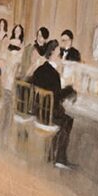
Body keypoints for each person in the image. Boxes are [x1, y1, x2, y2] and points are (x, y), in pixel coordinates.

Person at [28, 40, 77, 168]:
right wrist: (70, 90)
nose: (60, 55)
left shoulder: (39, 70)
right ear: (52, 54)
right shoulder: (54, 74)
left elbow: (30, 83)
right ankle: (59, 158)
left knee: (62, 117)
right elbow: (57, 97)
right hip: (48, 115)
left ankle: (51, 154)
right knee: (67, 120)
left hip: (38, 112)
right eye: (58, 53)